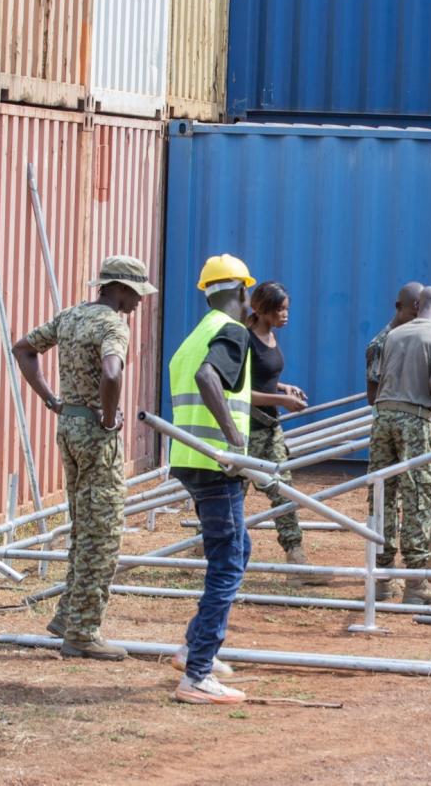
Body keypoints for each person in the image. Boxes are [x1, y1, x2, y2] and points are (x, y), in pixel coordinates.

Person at [14, 256, 156, 659]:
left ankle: (67, 614)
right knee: (103, 532)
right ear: (119, 289)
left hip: (69, 427)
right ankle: (82, 631)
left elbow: (23, 348)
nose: (139, 301)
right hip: (95, 433)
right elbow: (112, 373)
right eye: (136, 293)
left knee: (83, 525)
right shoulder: (113, 325)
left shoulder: (71, 316)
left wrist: (52, 400)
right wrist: (109, 419)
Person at [166, 253, 257, 705]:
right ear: (241, 291)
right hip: (215, 465)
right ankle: (198, 673)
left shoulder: (193, 337)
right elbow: (209, 378)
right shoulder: (233, 331)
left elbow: (208, 382)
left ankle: (193, 648)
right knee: (227, 562)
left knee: (239, 549)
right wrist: (235, 438)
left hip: (190, 460)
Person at [370, 286, 431, 605]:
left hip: (382, 418)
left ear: (418, 305)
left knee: (382, 494)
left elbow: (378, 381)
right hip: (414, 420)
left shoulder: (393, 335)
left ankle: (381, 579)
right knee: (418, 496)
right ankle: (416, 582)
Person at [243, 281, 329, 584]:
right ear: (262, 309)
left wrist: (283, 387)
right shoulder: (245, 340)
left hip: (269, 429)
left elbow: (263, 378)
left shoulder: (270, 335)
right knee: (231, 494)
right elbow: (239, 391)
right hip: (247, 431)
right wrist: (282, 401)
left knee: (283, 491)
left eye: (286, 309)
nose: (285, 315)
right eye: (280, 310)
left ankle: (296, 559)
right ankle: (206, 543)